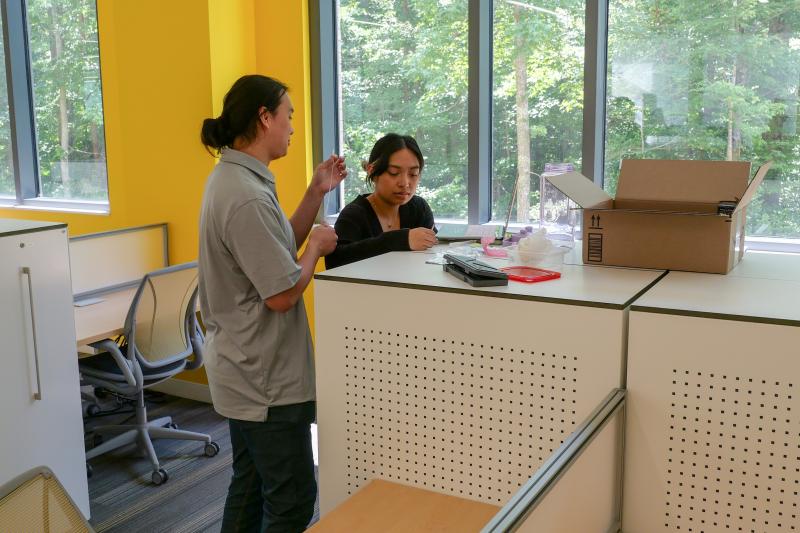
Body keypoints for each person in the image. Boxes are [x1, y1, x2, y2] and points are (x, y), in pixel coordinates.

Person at [198, 74, 346, 533]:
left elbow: (277, 254)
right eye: (289, 117)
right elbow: (282, 293)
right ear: (264, 118)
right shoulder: (244, 196)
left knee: (250, 489)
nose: (292, 129)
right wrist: (317, 249)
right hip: (263, 382)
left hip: (243, 371)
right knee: (292, 502)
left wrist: (314, 193)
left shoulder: (238, 179)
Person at [324, 133, 437, 269]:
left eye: (413, 174)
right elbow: (335, 262)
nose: (405, 183)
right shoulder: (354, 215)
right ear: (372, 171)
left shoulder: (419, 208)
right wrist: (399, 240)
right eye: (394, 173)